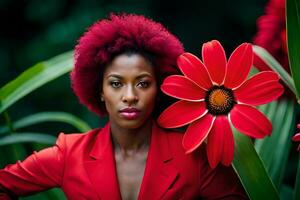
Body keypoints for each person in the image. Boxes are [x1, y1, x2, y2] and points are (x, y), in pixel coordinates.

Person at [0, 13, 248, 199]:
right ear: (99, 91)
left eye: (142, 84)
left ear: (160, 89)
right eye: (116, 84)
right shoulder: (69, 154)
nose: (130, 96)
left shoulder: (194, 158)